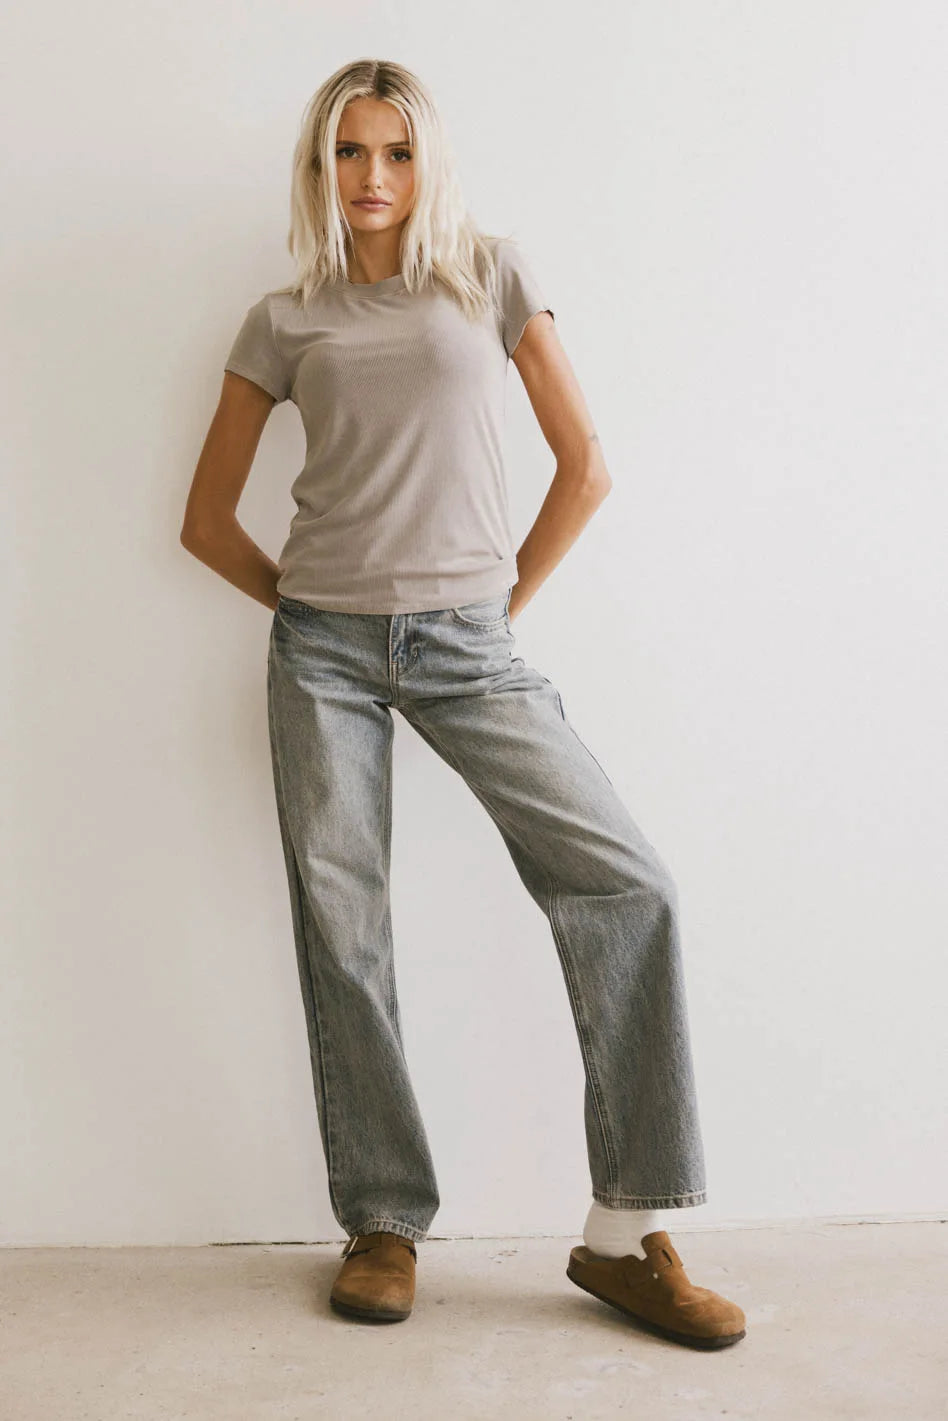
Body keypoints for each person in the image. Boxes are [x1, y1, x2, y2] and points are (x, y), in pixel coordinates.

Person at [180, 57, 745, 1351]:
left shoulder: (486, 274)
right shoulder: (283, 320)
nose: (372, 177)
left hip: (466, 642)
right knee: (346, 931)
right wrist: (308, 613)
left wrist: (495, 608)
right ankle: (382, 1222)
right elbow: (205, 521)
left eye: (396, 151)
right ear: (318, 168)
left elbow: (585, 465)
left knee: (629, 885)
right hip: (322, 652)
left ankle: (625, 1236)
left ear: (427, 161)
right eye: (347, 152)